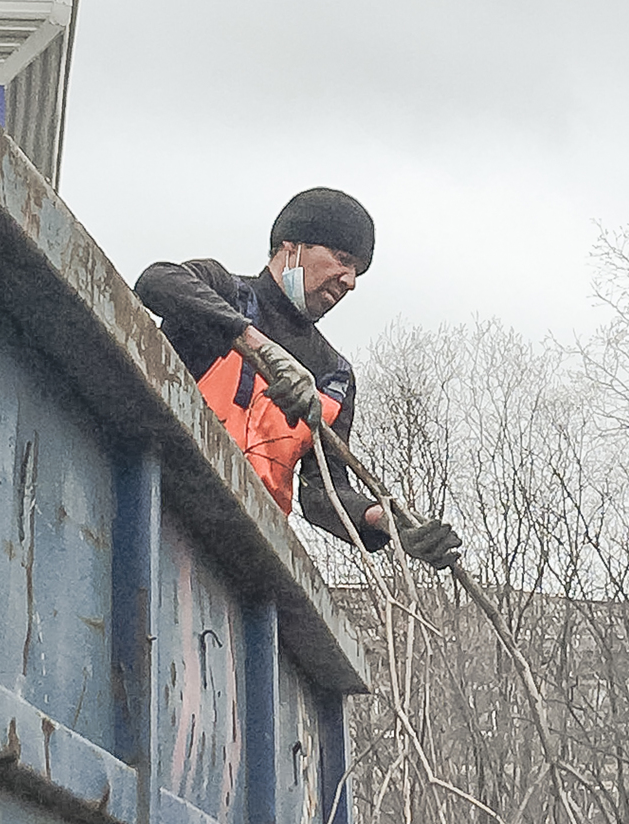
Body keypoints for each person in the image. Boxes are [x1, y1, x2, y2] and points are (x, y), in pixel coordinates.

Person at [136, 188, 461, 569]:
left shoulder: (334, 375)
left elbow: (322, 491)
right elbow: (155, 282)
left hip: (247, 552)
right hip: (160, 498)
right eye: (342, 259)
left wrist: (386, 521)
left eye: (358, 270)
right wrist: (254, 343)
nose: (350, 280)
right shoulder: (223, 294)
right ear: (290, 246)